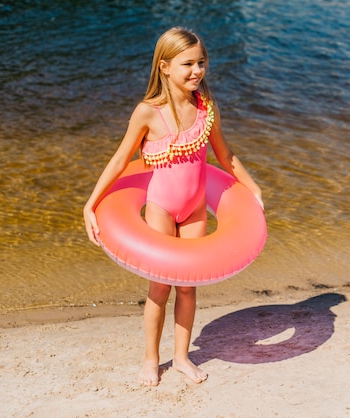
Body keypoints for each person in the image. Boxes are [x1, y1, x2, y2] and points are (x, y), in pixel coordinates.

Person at [83, 27, 263, 386]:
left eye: (201, 62)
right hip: (161, 209)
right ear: (164, 67)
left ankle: (181, 358)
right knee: (159, 289)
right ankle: (151, 360)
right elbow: (120, 161)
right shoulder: (149, 113)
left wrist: (254, 190)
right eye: (187, 64)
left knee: (188, 286)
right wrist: (91, 205)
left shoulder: (206, 108)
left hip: (195, 207)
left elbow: (225, 156)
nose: (196, 71)